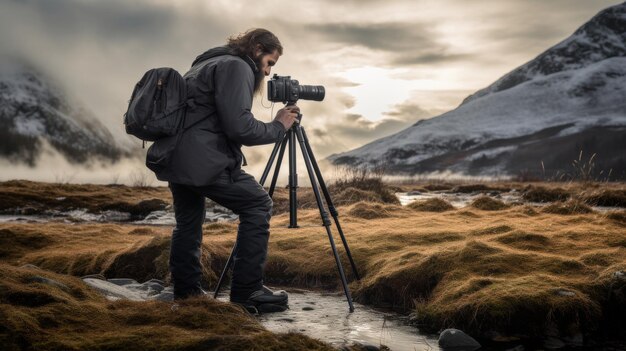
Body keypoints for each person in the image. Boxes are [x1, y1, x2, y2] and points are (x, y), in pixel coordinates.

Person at [147, 28, 299, 311]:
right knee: (257, 204)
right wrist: (279, 126)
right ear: (256, 49)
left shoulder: (205, 63)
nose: (267, 73)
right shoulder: (237, 66)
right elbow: (239, 127)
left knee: (188, 222)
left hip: (176, 157)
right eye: (269, 63)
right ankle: (247, 291)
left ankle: (187, 293)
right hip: (201, 158)